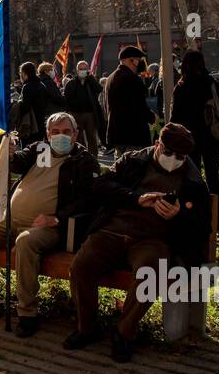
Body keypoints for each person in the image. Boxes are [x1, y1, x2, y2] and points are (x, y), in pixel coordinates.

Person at [63, 123, 210, 361]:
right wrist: (136, 199)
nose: (173, 159)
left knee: (150, 274)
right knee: (82, 266)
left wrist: (178, 215)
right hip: (112, 231)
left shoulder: (192, 181)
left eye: (180, 156)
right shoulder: (133, 161)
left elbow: (203, 225)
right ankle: (86, 328)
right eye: (168, 153)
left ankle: (124, 332)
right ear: (157, 145)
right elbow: (101, 186)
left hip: (153, 239)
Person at [0, 113, 101, 337]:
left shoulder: (83, 160)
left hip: (49, 228)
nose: (61, 136)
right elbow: (17, 163)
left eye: (66, 132)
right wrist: (9, 152)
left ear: (76, 134)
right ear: (47, 134)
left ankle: (27, 313)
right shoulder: (39, 150)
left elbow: (89, 199)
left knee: (24, 242)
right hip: (11, 220)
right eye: (55, 132)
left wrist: (56, 218)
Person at [169, 50, 219, 232]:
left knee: (192, 181)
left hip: (189, 141)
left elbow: (175, 118)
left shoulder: (181, 87)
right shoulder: (212, 83)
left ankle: (195, 219)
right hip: (212, 139)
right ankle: (217, 222)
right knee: (213, 180)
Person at [104, 46, 154, 156]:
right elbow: (139, 106)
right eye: (138, 59)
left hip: (117, 135)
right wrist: (152, 117)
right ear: (130, 60)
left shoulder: (110, 78)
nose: (140, 62)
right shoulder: (131, 78)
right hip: (133, 135)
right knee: (135, 170)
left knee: (122, 168)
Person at [63, 60, 105, 155]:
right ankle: (80, 156)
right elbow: (66, 99)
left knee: (92, 137)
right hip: (75, 114)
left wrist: (90, 78)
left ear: (88, 70)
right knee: (78, 137)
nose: (82, 71)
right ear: (77, 70)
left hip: (90, 114)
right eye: (80, 69)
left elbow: (99, 89)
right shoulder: (71, 83)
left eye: (84, 69)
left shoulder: (91, 81)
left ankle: (93, 158)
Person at [14, 62, 47, 145]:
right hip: (40, 124)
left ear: (25, 73)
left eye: (21, 73)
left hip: (29, 126)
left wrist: (17, 104)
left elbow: (25, 107)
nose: (20, 75)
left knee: (27, 150)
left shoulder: (27, 87)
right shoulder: (41, 85)